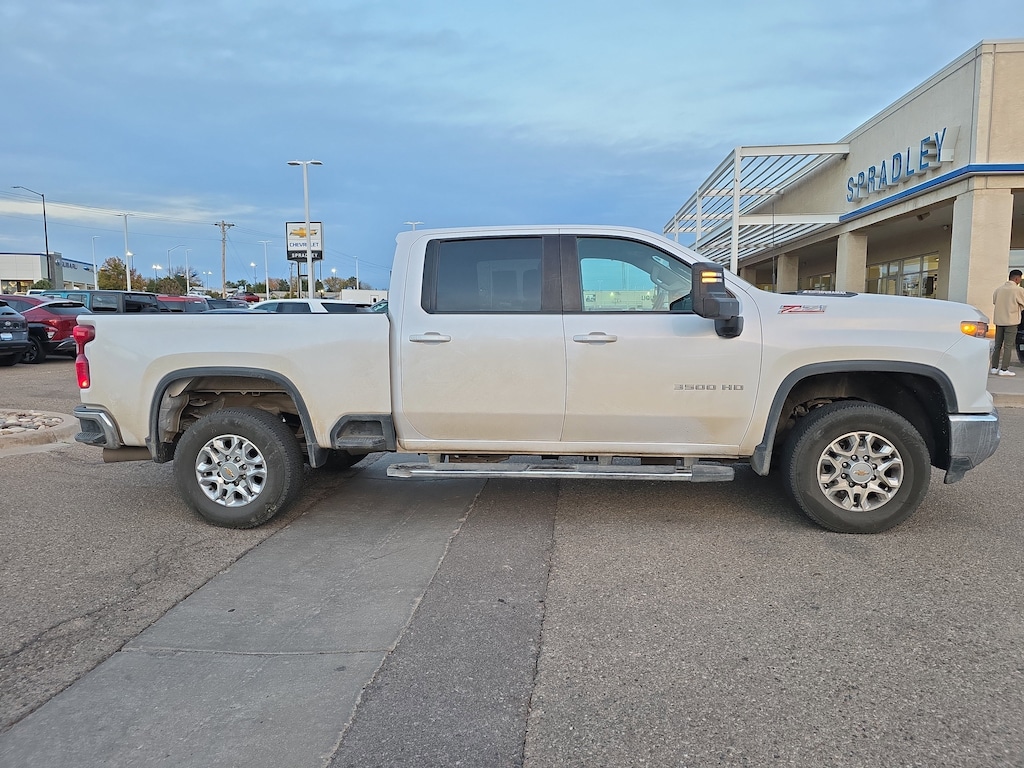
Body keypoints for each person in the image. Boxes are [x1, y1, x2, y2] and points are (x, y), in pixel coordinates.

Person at [990, 269, 1024, 376]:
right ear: (1017, 278)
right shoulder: (1018, 290)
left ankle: (994, 367)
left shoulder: (998, 290)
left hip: (999, 321)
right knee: (1008, 346)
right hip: (1011, 321)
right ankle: (1004, 369)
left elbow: (994, 301)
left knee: (997, 345)